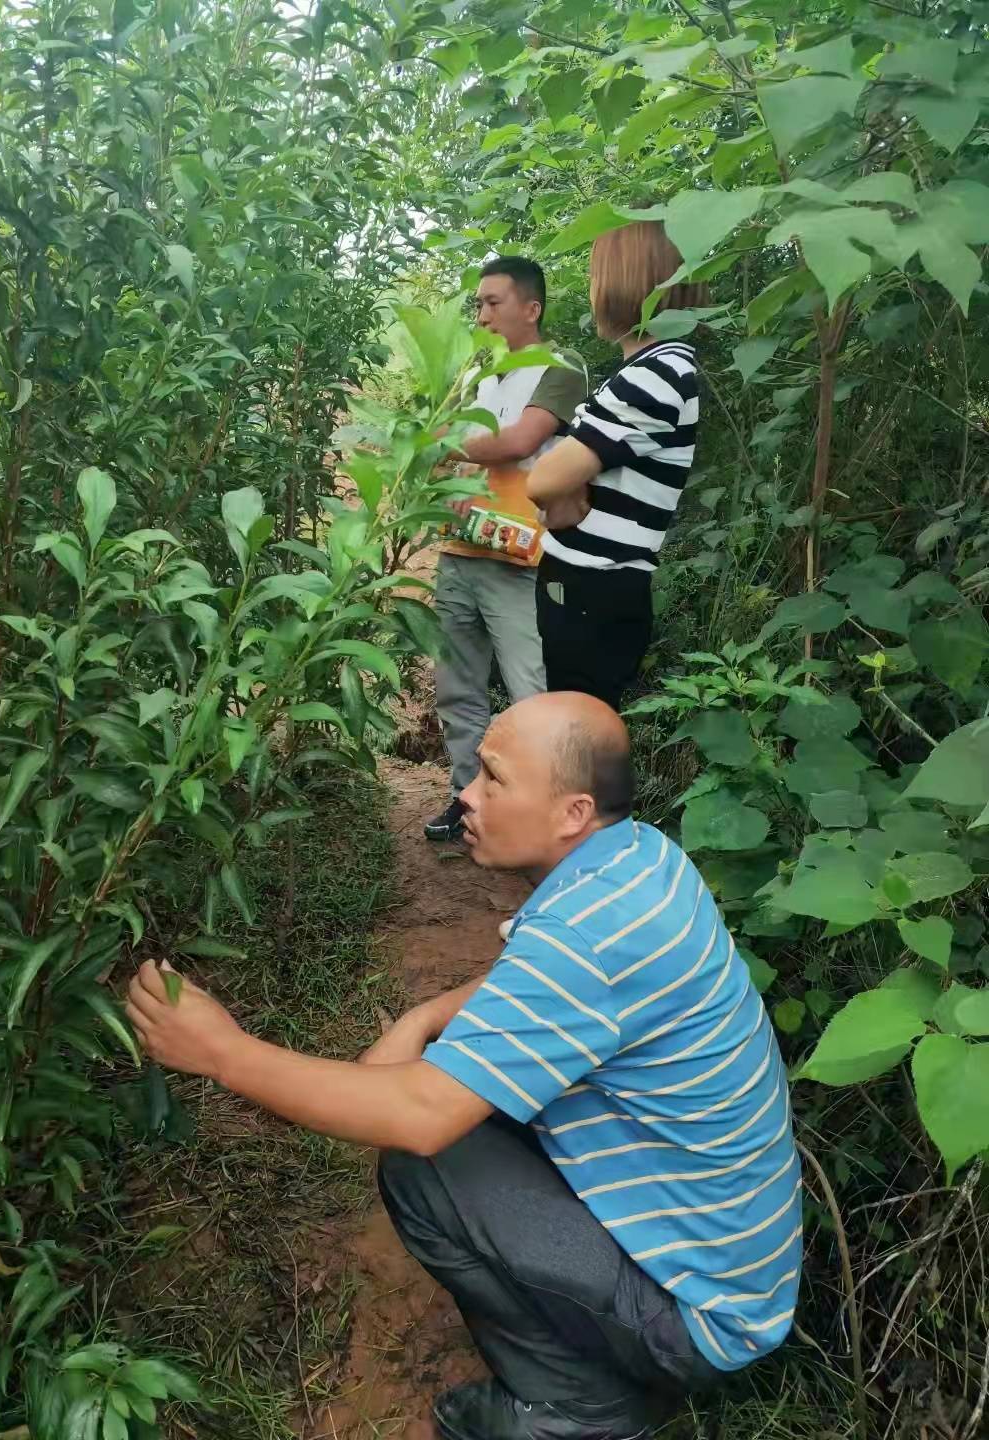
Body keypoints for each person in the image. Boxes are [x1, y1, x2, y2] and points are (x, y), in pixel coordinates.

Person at [127, 692, 801, 1440]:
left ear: (573, 812)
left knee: (424, 1166)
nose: (466, 796)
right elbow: (533, 986)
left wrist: (223, 1053)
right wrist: (421, 1019)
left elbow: (420, 1118)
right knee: (470, 1092)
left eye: (493, 780)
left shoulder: (590, 934)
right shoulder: (639, 862)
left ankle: (580, 1410)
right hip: (731, 1263)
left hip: (697, 1315)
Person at [425, 256, 588, 843]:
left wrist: (453, 446)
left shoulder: (561, 366)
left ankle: (539, 823)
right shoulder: (478, 376)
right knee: (457, 689)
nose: (483, 315)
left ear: (532, 308)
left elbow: (521, 440)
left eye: (494, 303)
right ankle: (467, 807)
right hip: (460, 552)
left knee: (529, 697)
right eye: (478, 304)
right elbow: (440, 445)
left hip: (521, 560)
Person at [525, 222, 707, 711]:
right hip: (583, 584)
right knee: (570, 735)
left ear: (627, 282)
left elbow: (544, 478)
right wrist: (563, 490)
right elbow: (560, 482)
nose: (592, 288)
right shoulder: (644, 371)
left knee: (574, 741)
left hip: (593, 588)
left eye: (596, 274)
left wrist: (561, 489)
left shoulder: (658, 374)